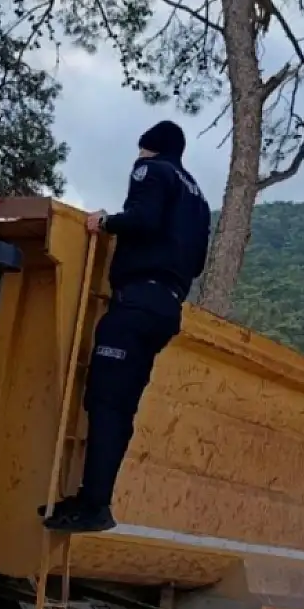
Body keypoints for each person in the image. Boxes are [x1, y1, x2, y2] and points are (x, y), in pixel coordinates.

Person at [44, 120, 211, 533]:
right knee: (122, 407)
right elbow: (197, 263)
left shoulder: (152, 171)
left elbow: (144, 218)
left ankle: (93, 503)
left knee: (105, 403)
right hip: (166, 307)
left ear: (147, 149)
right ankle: (95, 499)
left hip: (135, 302)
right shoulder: (199, 198)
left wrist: (105, 223)